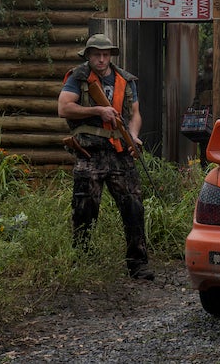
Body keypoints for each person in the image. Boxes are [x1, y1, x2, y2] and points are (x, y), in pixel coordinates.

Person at [57, 33, 154, 281]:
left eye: (105, 54)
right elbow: (64, 107)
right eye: (97, 55)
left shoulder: (125, 79)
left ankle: (138, 264)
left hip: (120, 152)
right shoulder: (78, 77)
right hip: (91, 152)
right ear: (88, 56)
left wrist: (133, 136)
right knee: (84, 208)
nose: (101, 59)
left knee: (133, 206)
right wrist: (98, 110)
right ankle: (82, 260)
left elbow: (135, 113)